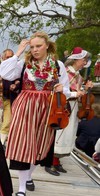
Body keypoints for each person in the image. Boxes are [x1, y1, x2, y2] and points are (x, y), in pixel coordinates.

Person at [0, 31, 80, 196]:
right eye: (32, 46)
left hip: (48, 107)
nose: (35, 50)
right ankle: (21, 187)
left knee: (42, 145)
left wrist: (62, 90)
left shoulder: (57, 65)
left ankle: (29, 175)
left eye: (38, 46)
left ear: (47, 46)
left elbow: (65, 89)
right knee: (24, 145)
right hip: (26, 107)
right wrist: (19, 51)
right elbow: (5, 73)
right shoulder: (23, 64)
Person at [49, 47, 93, 176]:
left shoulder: (77, 75)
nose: (85, 63)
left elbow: (77, 91)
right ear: (77, 60)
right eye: (83, 60)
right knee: (61, 133)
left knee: (68, 134)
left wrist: (85, 89)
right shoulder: (67, 72)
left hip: (72, 104)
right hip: (64, 105)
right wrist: (77, 92)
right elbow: (63, 91)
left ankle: (56, 161)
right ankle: (52, 161)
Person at [0, 49, 21, 147]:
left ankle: (1, 143)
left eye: (11, 57)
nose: (10, 59)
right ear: (3, 58)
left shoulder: (17, 70)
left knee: (7, 122)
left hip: (9, 99)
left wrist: (16, 86)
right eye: (8, 57)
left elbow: (20, 83)